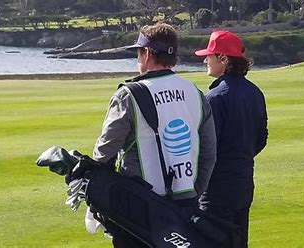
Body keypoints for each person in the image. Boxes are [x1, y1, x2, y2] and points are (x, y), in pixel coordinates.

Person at [93, 23, 217, 248]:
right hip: (186, 203)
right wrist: (194, 192)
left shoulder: (128, 95)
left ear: (148, 53)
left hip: (140, 206)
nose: (138, 58)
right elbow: (208, 154)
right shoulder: (195, 94)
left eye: (139, 52)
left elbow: (104, 153)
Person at [195, 31, 268, 248]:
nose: (205, 60)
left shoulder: (214, 98)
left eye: (210, 55)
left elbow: (206, 147)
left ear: (224, 59)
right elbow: (261, 138)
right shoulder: (255, 92)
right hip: (243, 184)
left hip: (216, 190)